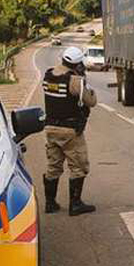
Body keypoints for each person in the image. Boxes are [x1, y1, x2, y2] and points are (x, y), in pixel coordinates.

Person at [42, 46, 98, 216]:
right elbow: (91, 101)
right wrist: (85, 84)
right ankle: (75, 204)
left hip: (51, 129)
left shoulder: (48, 74)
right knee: (79, 167)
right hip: (70, 131)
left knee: (53, 166)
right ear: (77, 62)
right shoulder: (75, 81)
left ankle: (50, 204)